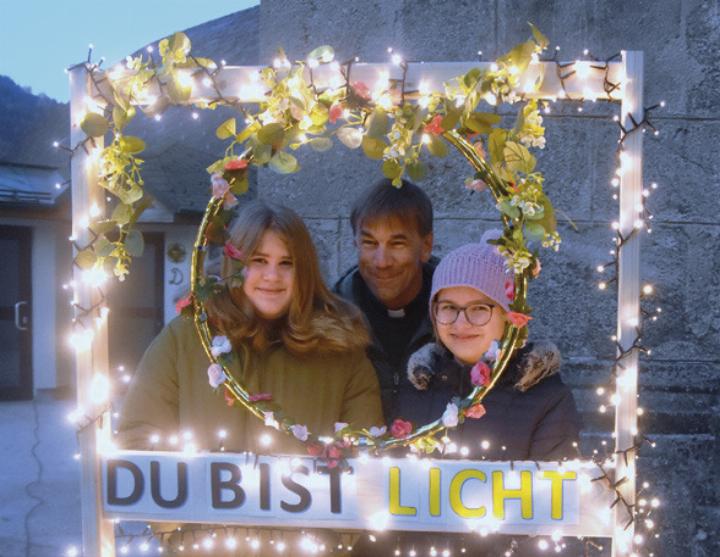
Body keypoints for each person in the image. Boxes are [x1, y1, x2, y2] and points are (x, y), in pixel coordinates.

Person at [117, 200, 384, 456]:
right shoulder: (187, 338)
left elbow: (366, 458)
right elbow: (137, 439)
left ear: (304, 272)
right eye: (259, 260)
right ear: (235, 264)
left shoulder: (341, 353)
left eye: (286, 263)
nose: (272, 276)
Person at [403, 231, 582, 461]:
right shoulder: (418, 389)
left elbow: (552, 492)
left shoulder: (547, 400)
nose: (461, 322)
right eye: (448, 307)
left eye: (478, 308)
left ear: (509, 317)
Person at [334, 178, 437, 423]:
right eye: (370, 243)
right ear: (355, 243)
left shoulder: (459, 321)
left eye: (397, 243)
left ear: (426, 245)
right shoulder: (329, 318)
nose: (382, 261)